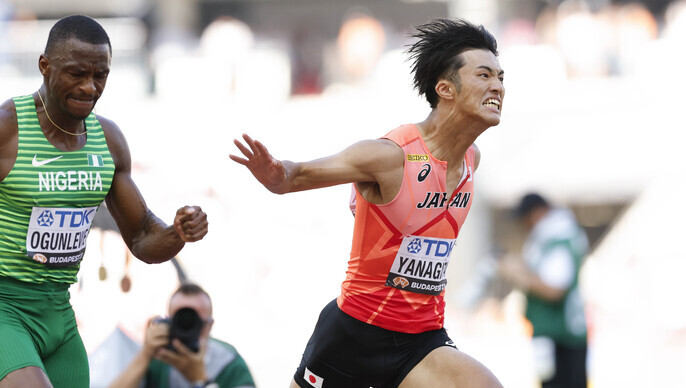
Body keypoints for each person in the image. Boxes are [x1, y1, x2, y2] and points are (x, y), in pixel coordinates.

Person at [230, 18, 504, 388]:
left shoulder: (473, 159)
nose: (498, 87)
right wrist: (277, 175)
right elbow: (295, 176)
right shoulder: (390, 156)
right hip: (354, 335)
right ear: (445, 89)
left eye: (501, 78)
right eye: (485, 75)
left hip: (421, 340)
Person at [0, 15, 209, 388]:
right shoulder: (8, 128)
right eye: (76, 73)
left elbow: (144, 237)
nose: (89, 87)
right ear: (44, 66)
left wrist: (178, 232)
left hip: (59, 315)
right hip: (5, 307)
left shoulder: (108, 141)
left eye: (100, 75)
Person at [497, 193, 588, 388]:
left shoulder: (559, 237)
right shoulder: (549, 238)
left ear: (538, 212)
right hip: (553, 335)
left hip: (564, 337)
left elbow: (555, 290)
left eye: (526, 217)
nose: (524, 223)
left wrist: (520, 274)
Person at [109, 283, 255, 388]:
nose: (187, 326)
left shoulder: (229, 364)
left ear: (209, 325)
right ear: (169, 321)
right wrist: (145, 354)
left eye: (194, 321)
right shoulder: (158, 358)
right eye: (181, 319)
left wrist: (200, 379)